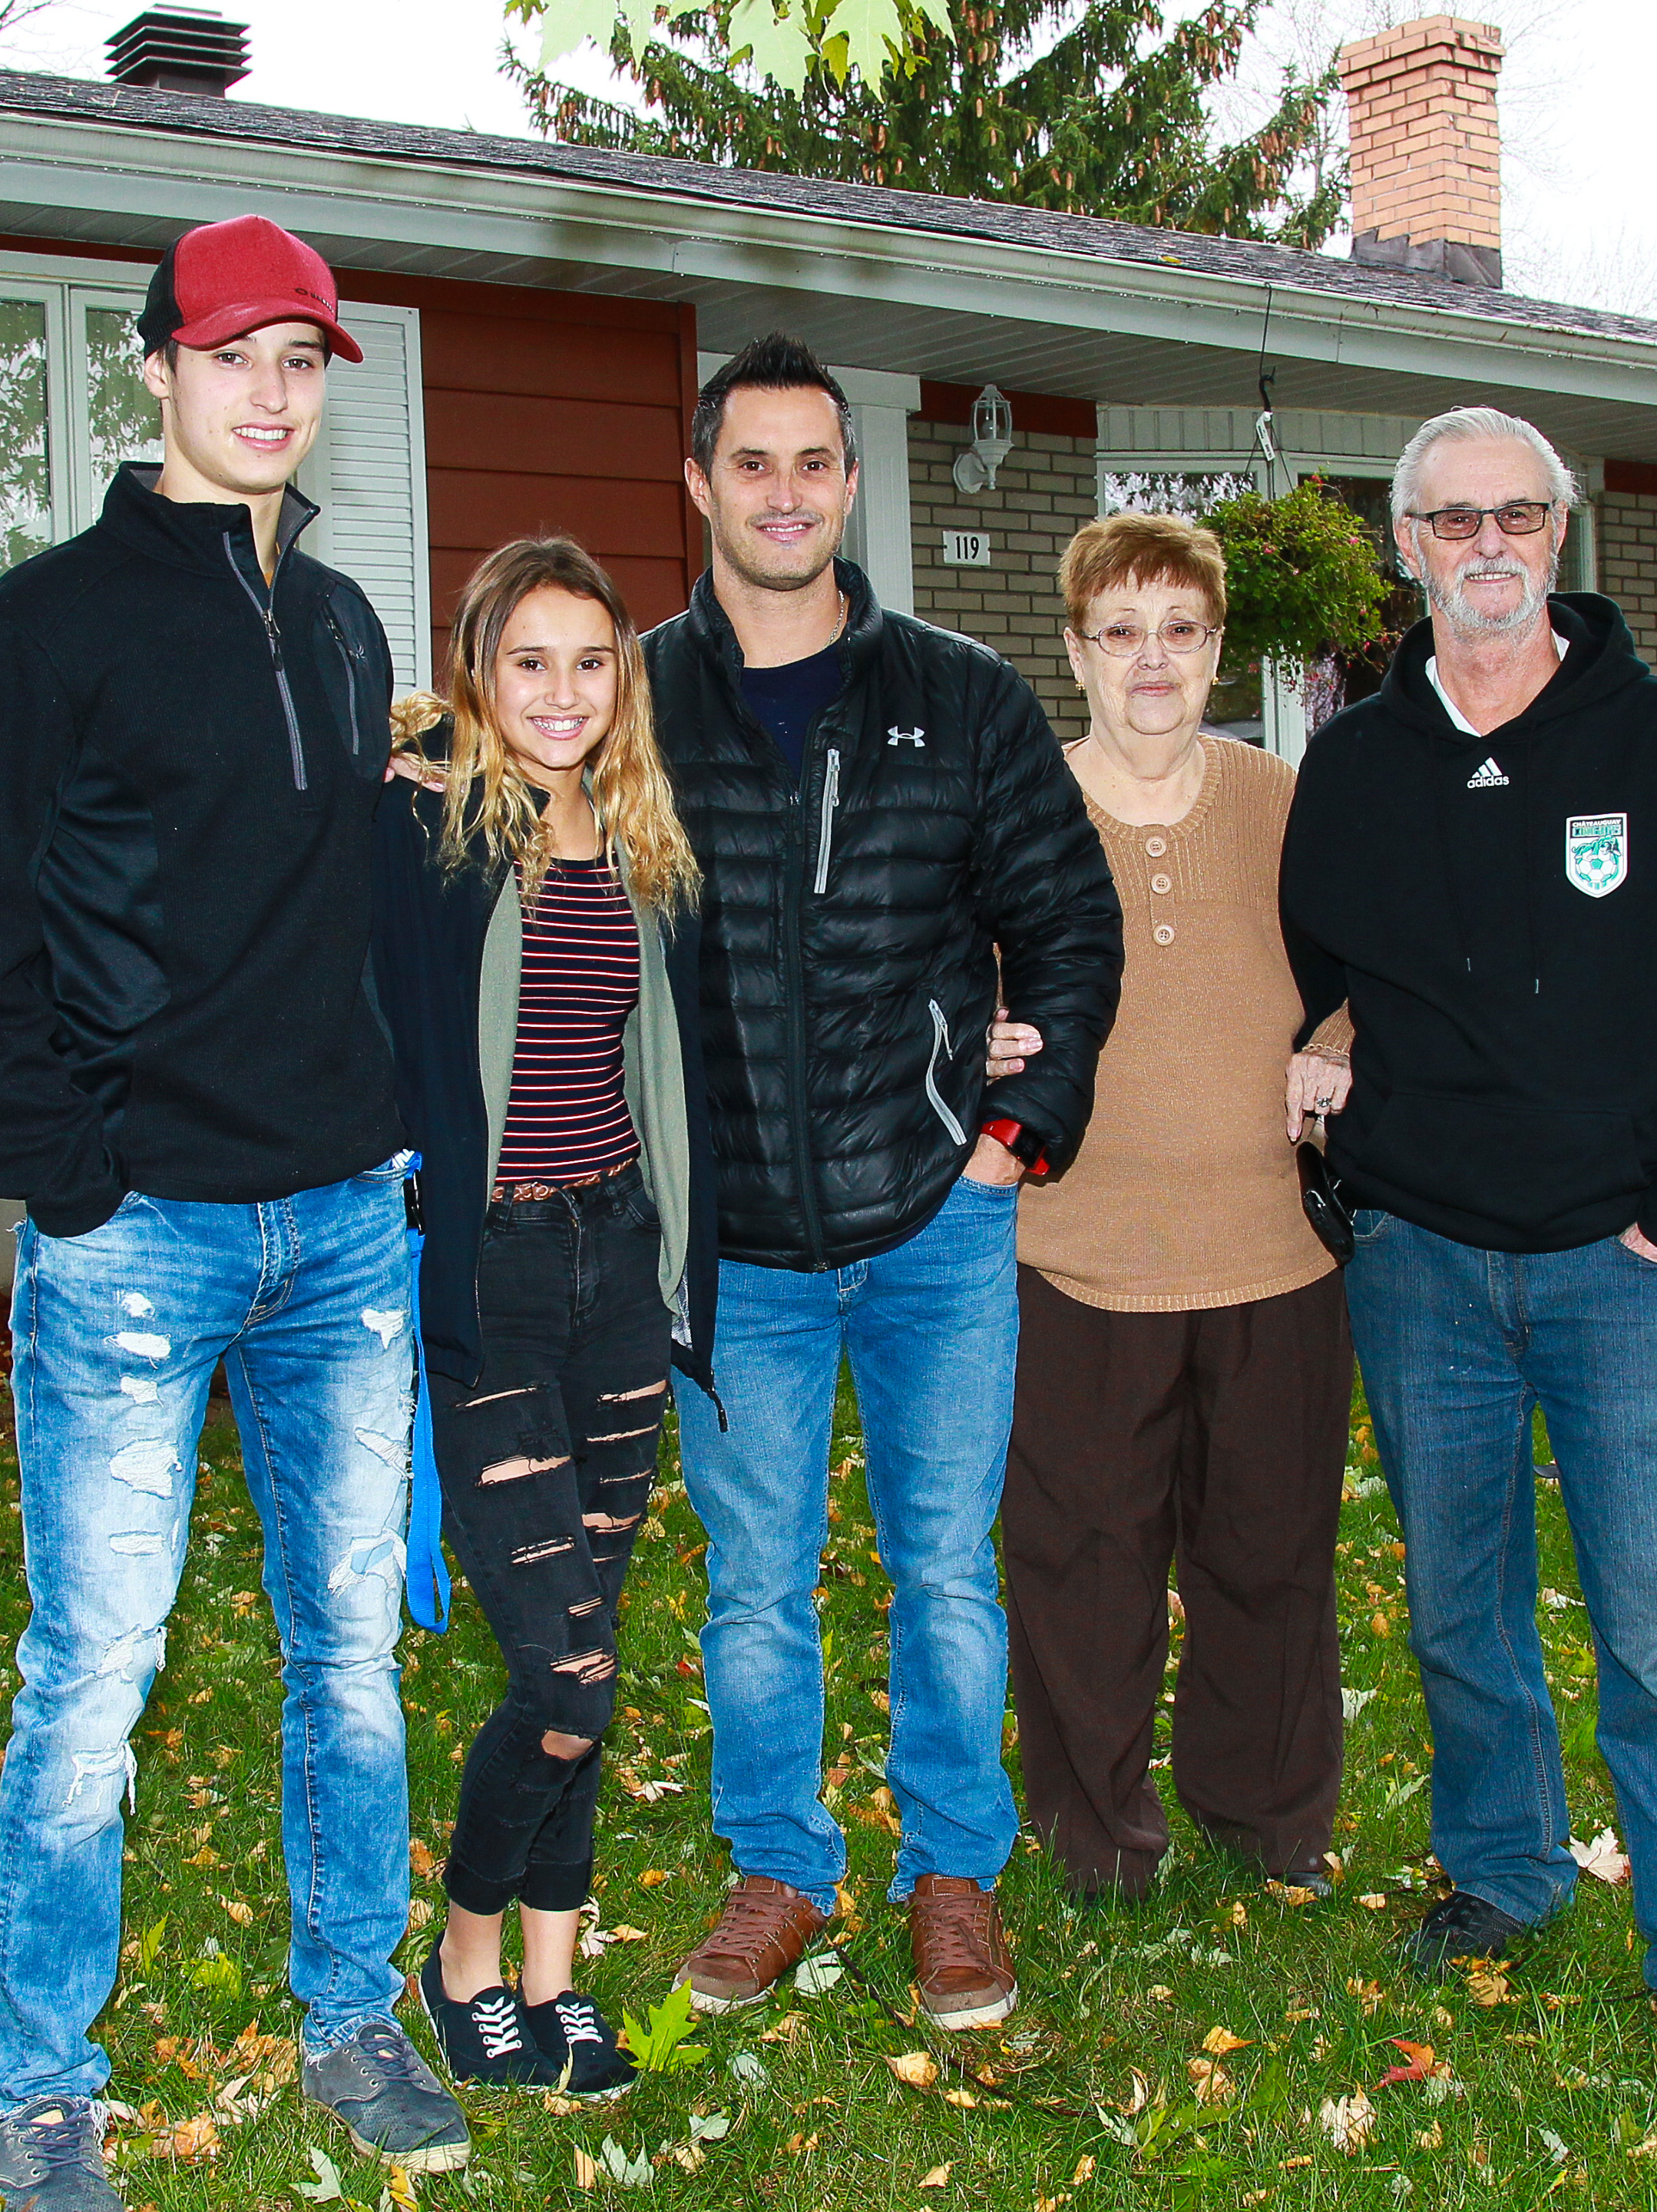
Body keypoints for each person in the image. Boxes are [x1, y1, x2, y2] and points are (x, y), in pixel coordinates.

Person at [0, 214, 469, 2207]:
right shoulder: (45, 627)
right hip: (138, 1231)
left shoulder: (343, 625)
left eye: (301, 360)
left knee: (351, 1652)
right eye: (233, 354)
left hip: (342, 1227)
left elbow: (351, 906)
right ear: (157, 369)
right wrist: (74, 1172)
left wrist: (401, 1127)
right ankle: (41, 2083)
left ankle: (353, 2011)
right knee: (95, 1671)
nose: (269, 392)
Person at [1278, 405, 1657, 2097]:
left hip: (1621, 1266)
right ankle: (1505, 1873)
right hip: (1421, 1260)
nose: (1488, 546)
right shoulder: (1356, 764)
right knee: (1460, 1608)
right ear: (1407, 546)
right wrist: (1335, 1066)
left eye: (1517, 515)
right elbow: (1318, 970)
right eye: (1454, 521)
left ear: (1560, 534)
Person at [647, 334, 1124, 2032]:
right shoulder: (633, 702)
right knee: (754, 1584)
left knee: (947, 1570)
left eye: (814, 464)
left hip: (935, 1225)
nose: (784, 495)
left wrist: (1013, 1138)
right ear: (701, 484)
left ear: (852, 485)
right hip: (736, 1251)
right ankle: (779, 1866)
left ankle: (953, 1876)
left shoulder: (961, 696)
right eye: (751, 464)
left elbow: (1070, 926)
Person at [365, 535, 716, 2104]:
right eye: (529, 663)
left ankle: (556, 1976)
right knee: (562, 1675)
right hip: (492, 1281)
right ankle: (462, 1958)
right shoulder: (430, 825)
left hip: (617, 1269)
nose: (563, 693)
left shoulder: (641, 836)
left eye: (592, 662)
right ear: (478, 674)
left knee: (598, 1646)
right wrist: (406, 751)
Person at [996, 512, 1360, 1906]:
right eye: (1121, 631)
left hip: (1273, 1256)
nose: (1152, 659)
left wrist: (1341, 1043)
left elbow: (1369, 965)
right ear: (1078, 650)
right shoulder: (1017, 803)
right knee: (1081, 1565)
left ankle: (1266, 1818)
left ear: (1218, 652)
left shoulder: (1282, 800)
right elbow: (944, 978)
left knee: (1271, 1559)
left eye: (1180, 631)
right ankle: (1093, 1834)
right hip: (1073, 1256)